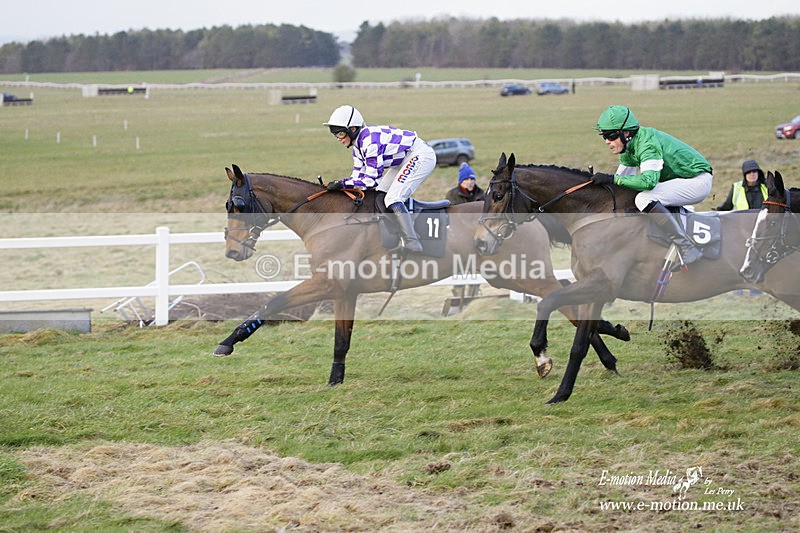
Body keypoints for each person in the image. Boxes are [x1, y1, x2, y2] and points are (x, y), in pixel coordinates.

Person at [591, 105, 713, 267]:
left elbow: (648, 182)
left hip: (697, 181)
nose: (607, 141)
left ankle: (686, 247)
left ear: (626, 133)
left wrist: (612, 179)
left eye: (610, 135)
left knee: (643, 198)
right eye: (604, 136)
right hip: (679, 182)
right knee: (631, 196)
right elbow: (620, 185)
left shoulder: (647, 144)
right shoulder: (629, 146)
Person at [323, 105, 437, 253]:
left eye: (340, 134)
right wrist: (340, 186)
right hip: (404, 159)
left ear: (352, 129)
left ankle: (412, 241)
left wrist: (341, 184)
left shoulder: (370, 142)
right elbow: (357, 179)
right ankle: (396, 234)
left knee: (392, 198)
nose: (338, 139)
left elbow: (370, 181)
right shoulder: (357, 147)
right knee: (380, 194)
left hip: (420, 155)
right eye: (335, 135)